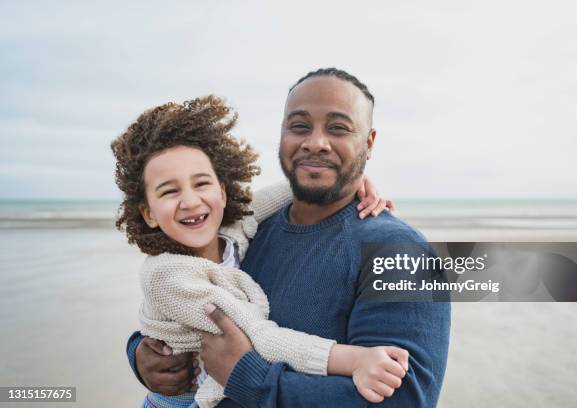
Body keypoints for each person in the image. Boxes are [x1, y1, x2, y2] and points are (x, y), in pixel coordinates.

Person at [127, 68, 451, 407]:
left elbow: (406, 401)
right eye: (299, 126)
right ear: (282, 135)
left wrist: (250, 378)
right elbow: (184, 311)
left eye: (338, 128)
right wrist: (142, 353)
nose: (315, 142)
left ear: (368, 143)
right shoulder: (249, 232)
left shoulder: (402, 251)